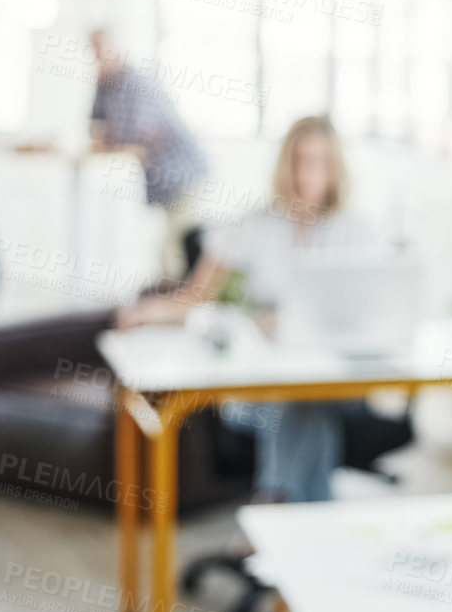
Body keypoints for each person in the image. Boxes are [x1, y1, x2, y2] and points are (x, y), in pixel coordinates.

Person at [118, 115, 375, 502]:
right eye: (299, 161)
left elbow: (367, 314)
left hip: (334, 377)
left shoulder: (356, 232)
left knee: (309, 398)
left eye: (320, 162)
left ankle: (270, 507)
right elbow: (196, 296)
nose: (307, 174)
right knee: (304, 407)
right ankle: (300, 523)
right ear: (284, 165)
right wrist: (151, 311)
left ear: (335, 169)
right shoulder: (256, 225)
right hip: (264, 381)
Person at [88, 29, 209, 283]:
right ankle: (173, 306)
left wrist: (113, 142)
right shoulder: (103, 85)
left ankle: (180, 308)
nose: (99, 59)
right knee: (170, 248)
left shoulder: (138, 83)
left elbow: (146, 138)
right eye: (94, 53)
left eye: (103, 51)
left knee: (175, 249)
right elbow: (96, 129)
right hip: (162, 181)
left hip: (184, 174)